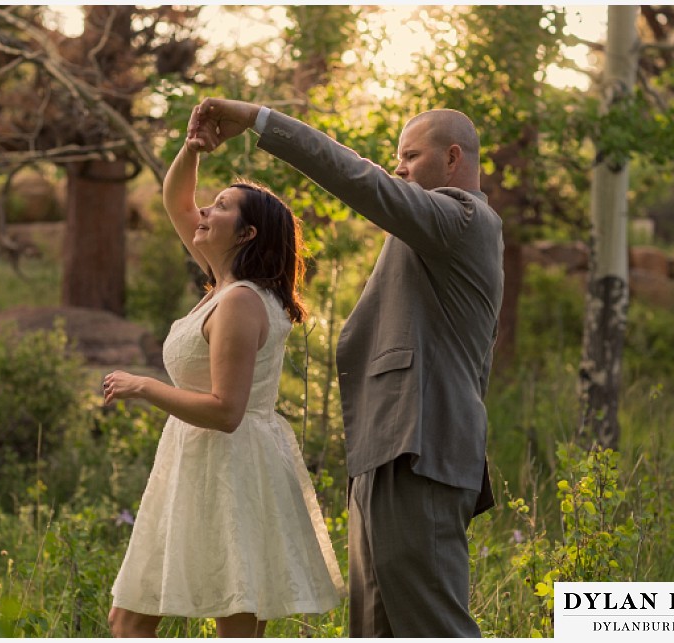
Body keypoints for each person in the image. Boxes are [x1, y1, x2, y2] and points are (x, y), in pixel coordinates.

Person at [189, 98, 503, 637]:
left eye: (410, 155)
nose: (398, 167)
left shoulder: (461, 220)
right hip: (388, 451)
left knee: (435, 627)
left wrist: (259, 120)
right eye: (396, 156)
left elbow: (362, 180)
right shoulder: (429, 232)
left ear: (453, 159)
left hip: (422, 451)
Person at [103, 120, 345, 638]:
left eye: (221, 208)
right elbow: (177, 201)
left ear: (248, 233)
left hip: (232, 464)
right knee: (130, 617)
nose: (205, 212)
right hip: (195, 459)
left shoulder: (239, 300)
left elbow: (225, 412)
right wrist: (191, 147)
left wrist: (142, 386)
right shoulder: (226, 284)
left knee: (232, 617)